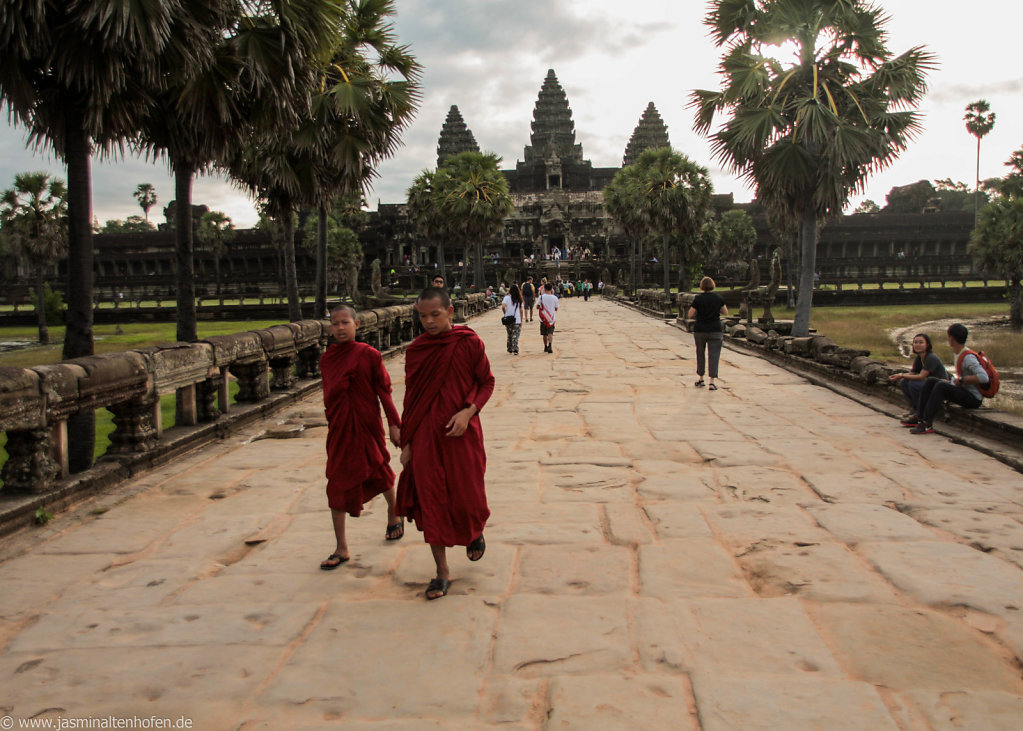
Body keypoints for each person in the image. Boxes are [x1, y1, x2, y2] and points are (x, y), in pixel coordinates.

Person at [397, 287, 495, 599]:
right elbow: (412, 398)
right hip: (426, 436)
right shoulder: (416, 351)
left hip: (462, 435)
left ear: (450, 312)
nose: (427, 321)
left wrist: (468, 411)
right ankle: (441, 572)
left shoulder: (468, 343)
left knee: (469, 499)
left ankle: (474, 530)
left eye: (434, 315)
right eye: (422, 316)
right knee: (431, 502)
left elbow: (486, 382)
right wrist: (407, 442)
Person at [319, 304, 403, 570]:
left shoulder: (369, 355)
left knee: (379, 470)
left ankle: (394, 511)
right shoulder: (328, 359)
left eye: (345, 322)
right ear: (330, 328)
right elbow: (330, 393)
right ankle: (341, 547)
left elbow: (384, 392)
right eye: (335, 323)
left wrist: (394, 425)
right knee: (336, 482)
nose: (340, 328)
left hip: (367, 426)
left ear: (357, 324)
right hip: (340, 430)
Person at [906, 323, 989, 434]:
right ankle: (920, 417)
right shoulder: (959, 353)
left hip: (973, 398)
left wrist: (962, 380)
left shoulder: (968, 357)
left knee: (941, 386)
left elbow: (984, 377)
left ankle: (927, 424)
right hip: (964, 391)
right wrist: (953, 382)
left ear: (951, 338)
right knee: (931, 381)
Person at [889, 333, 949, 420]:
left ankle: (920, 412)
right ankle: (914, 408)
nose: (918, 345)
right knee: (904, 382)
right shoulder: (919, 358)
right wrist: (899, 376)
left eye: (921, 342)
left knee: (913, 384)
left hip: (938, 387)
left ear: (927, 345)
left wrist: (902, 375)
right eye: (916, 342)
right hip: (928, 385)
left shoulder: (931, 357)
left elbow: (921, 376)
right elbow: (912, 374)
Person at [687, 276, 728, 391]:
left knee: (700, 353)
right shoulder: (718, 298)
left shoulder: (698, 299)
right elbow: (725, 312)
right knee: (714, 355)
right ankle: (712, 382)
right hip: (715, 329)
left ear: (702, 287)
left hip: (700, 329)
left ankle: (700, 378)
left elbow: (690, 314)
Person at [536, 283, 559, 354]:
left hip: (543, 318)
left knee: (544, 334)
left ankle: (545, 346)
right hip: (551, 318)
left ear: (544, 289)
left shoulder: (541, 297)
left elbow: (537, 307)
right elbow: (556, 309)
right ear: (552, 289)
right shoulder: (555, 298)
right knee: (550, 333)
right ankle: (550, 345)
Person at [502, 283, 524, 355]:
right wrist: (521, 320)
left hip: (508, 318)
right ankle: (515, 348)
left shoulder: (506, 298)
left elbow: (503, 306)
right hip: (516, 319)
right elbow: (521, 310)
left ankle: (510, 348)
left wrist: (505, 313)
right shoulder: (519, 299)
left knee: (509, 334)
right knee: (515, 334)